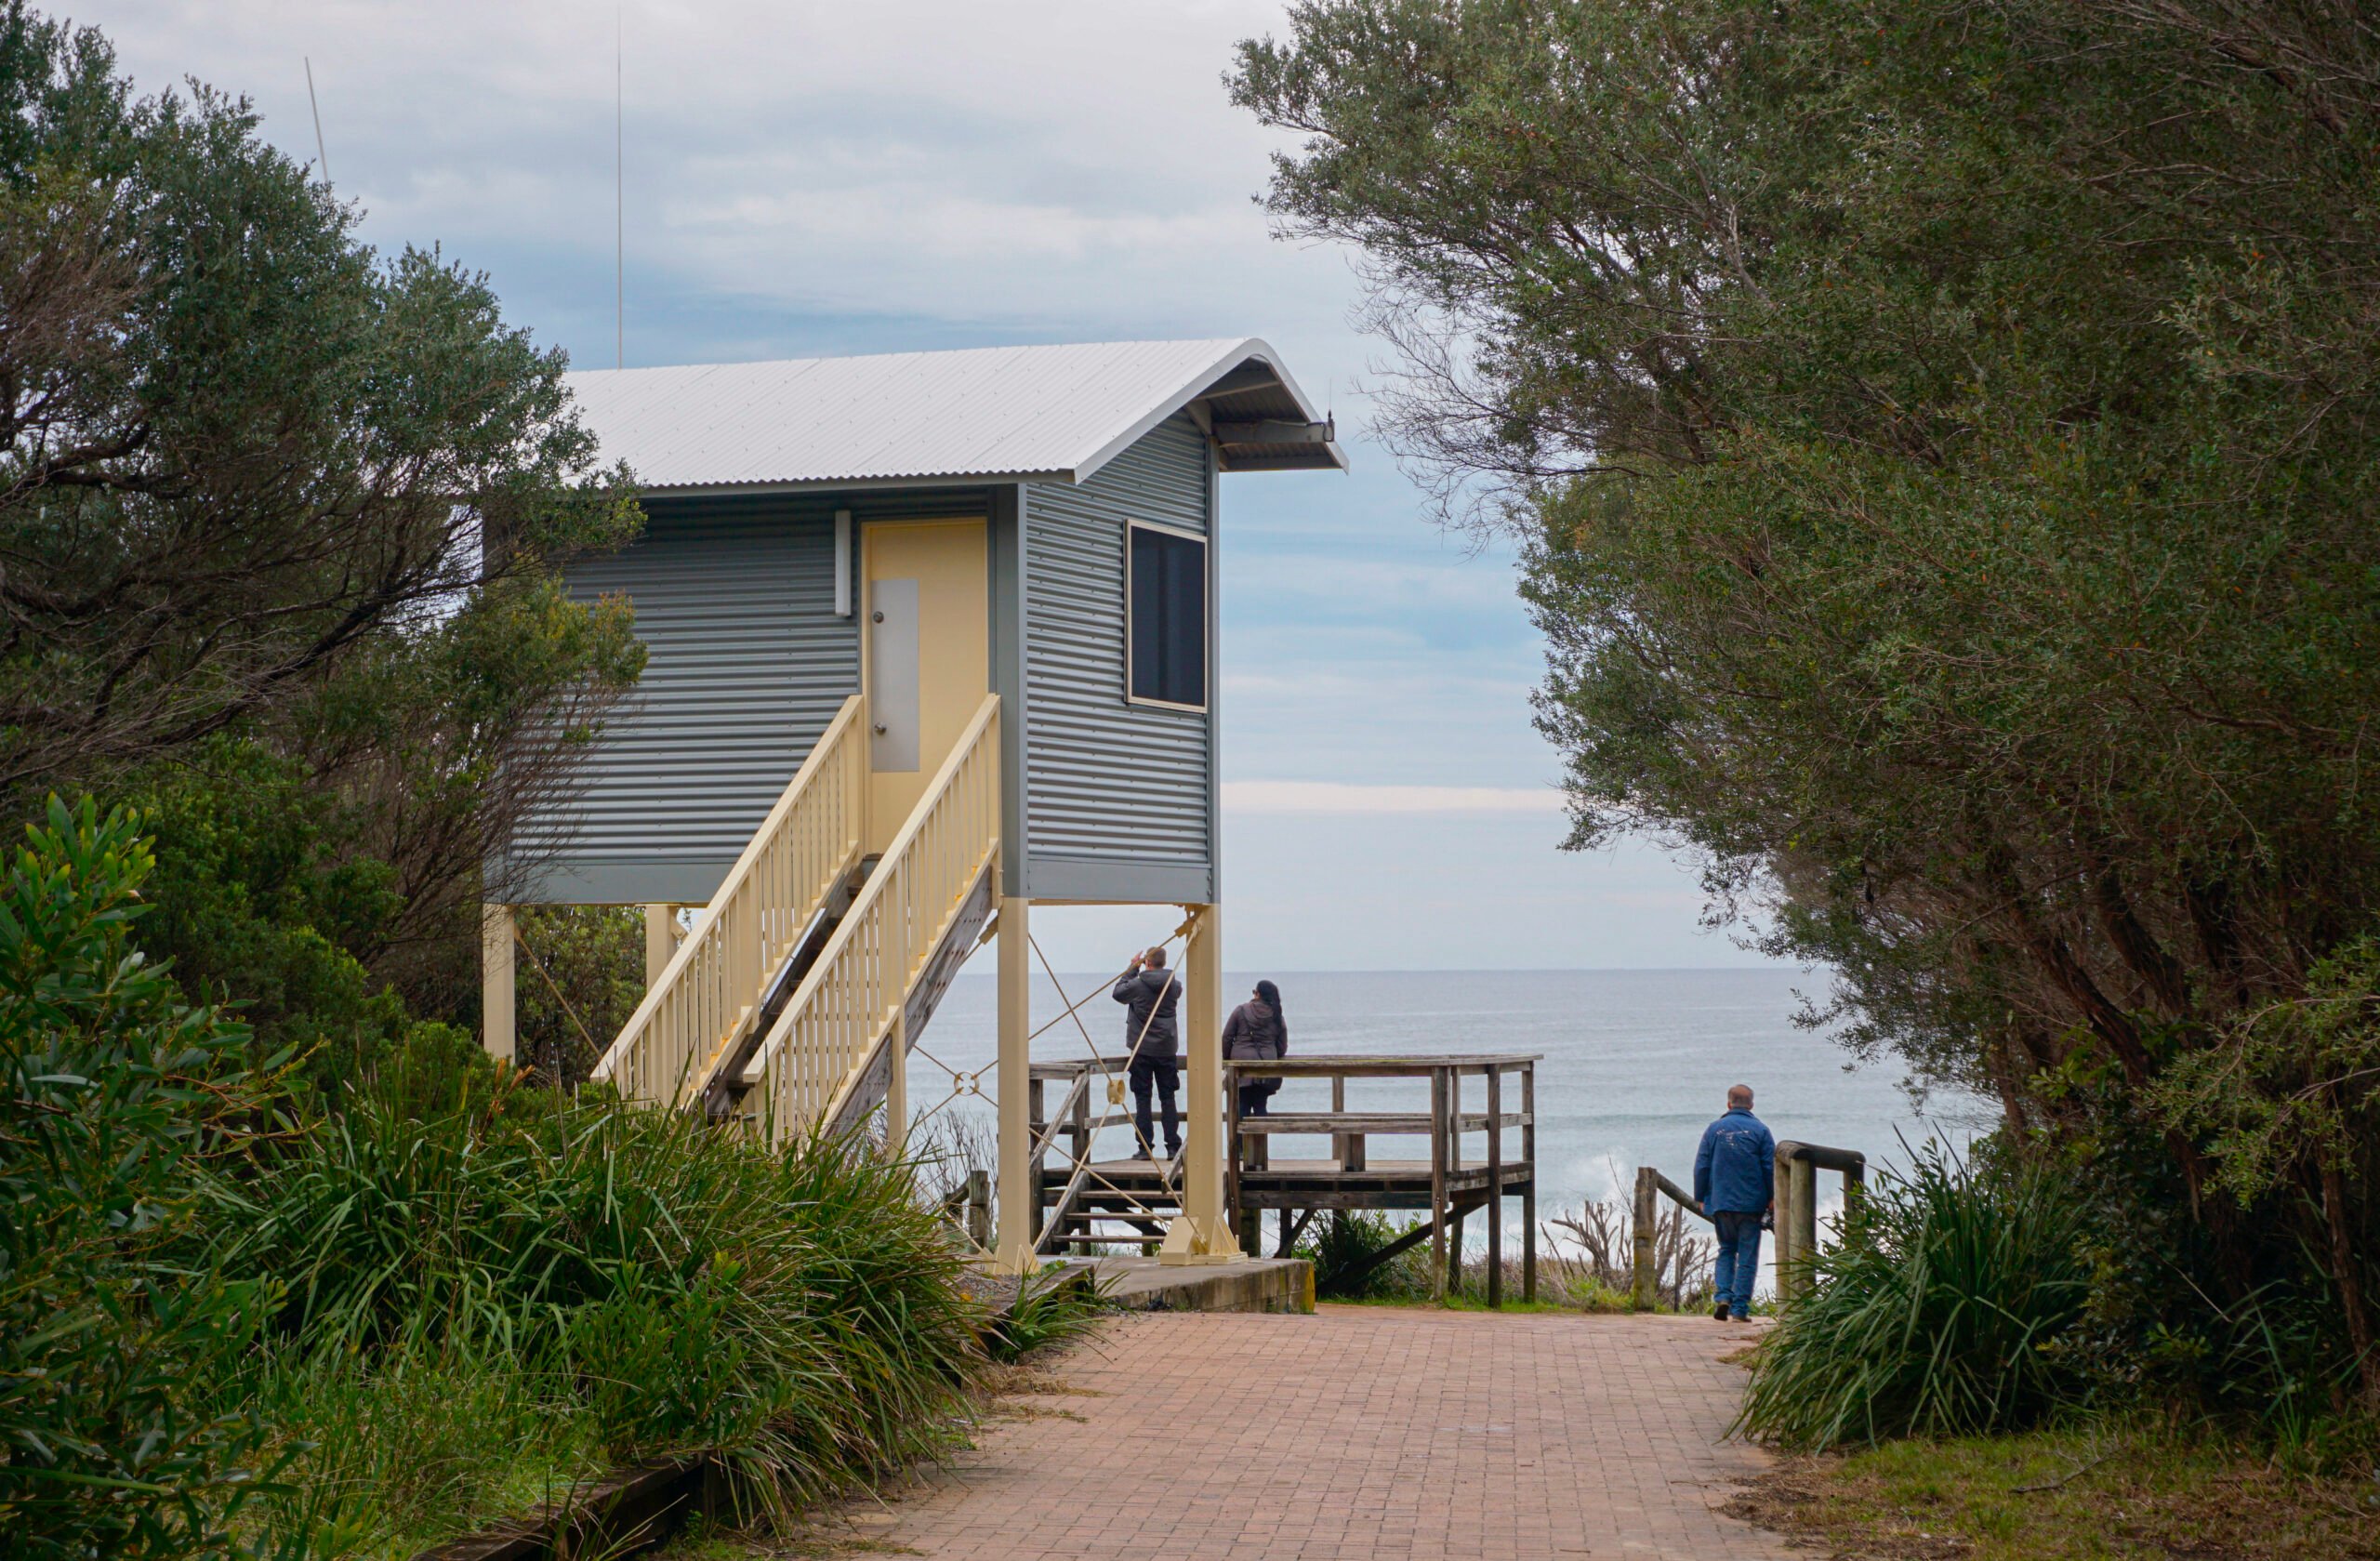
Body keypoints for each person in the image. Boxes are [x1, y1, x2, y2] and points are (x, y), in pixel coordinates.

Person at [1693, 1083, 1776, 1322]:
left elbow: (1702, 1165)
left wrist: (1701, 1197)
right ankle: (1740, 1309)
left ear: (1729, 1104)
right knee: (1748, 1256)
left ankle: (1722, 1297)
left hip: (1721, 1202)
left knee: (1727, 1249)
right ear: (1751, 1105)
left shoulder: (1714, 1130)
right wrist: (1772, 1197)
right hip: (1751, 1204)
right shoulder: (1761, 1130)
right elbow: (1769, 1167)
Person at [1112, 946, 1181, 1159]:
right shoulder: (1174, 985)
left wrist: (1133, 968)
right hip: (1166, 1048)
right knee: (1168, 1097)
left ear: (1147, 963)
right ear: (1164, 962)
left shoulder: (1138, 984)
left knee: (1143, 1098)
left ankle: (1145, 1148)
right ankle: (1172, 1146)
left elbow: (1118, 993)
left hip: (1141, 1048)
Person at [1223, 979, 1289, 1118]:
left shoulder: (1240, 1011)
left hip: (1240, 1067)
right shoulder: (1277, 1015)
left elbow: (1227, 1038)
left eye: (1254, 992)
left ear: (1258, 994)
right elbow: (1282, 1047)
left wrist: (1226, 1059)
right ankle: (1261, 1136)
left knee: (1241, 1108)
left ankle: (1238, 1139)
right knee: (1260, 1106)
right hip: (1265, 1068)